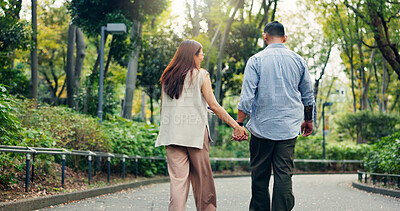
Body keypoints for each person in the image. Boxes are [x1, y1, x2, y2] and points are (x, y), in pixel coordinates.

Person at [156, 39, 247, 211]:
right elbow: (214, 104)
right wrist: (236, 125)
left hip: (172, 134)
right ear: (192, 55)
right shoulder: (200, 75)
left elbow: (165, 108)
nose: (202, 56)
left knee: (178, 181)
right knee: (203, 179)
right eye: (201, 53)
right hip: (195, 135)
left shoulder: (167, 77)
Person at [234, 21, 314, 211]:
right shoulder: (298, 60)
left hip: (262, 128)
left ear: (265, 36)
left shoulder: (256, 60)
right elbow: (308, 94)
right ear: (285, 38)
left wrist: (239, 123)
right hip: (288, 129)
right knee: (284, 174)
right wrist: (308, 120)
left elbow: (247, 96)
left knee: (260, 176)